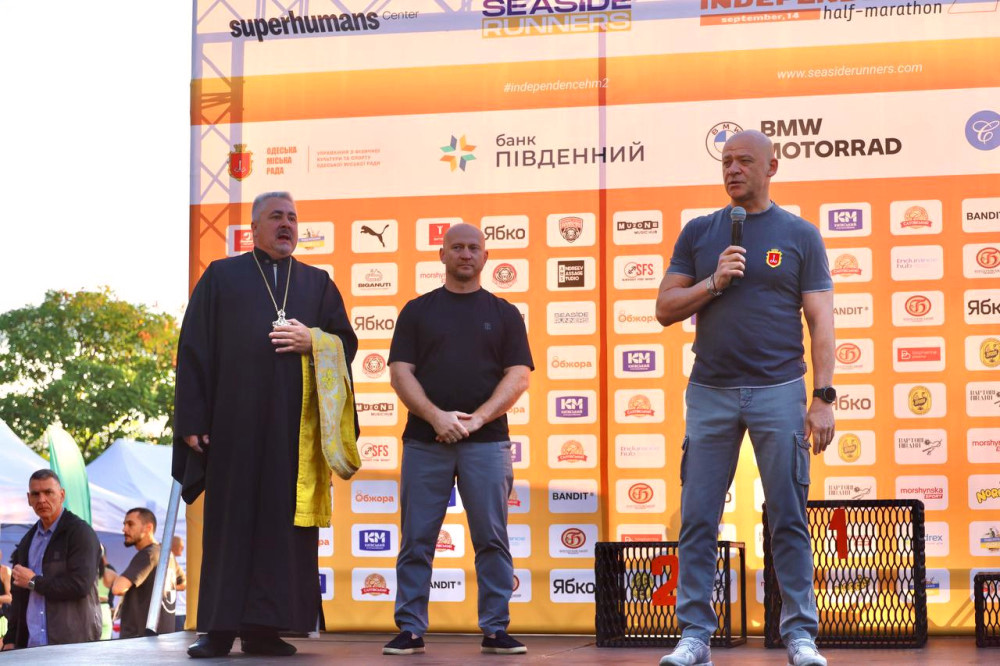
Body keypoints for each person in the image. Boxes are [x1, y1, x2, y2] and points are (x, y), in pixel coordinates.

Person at [654, 130, 834, 666]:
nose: (732, 169)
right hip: (710, 391)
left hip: (780, 390)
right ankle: (695, 636)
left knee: (787, 516)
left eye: (744, 161)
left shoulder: (800, 234)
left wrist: (823, 397)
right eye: (726, 161)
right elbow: (665, 308)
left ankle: (800, 635)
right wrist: (714, 281)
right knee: (698, 518)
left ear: (771, 168)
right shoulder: (700, 232)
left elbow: (821, 320)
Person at [172, 191, 358, 658]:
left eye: (293, 217)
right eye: (277, 216)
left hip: (293, 433)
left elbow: (346, 343)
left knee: (282, 528)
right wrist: (192, 418)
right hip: (231, 425)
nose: (287, 224)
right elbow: (193, 348)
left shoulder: (317, 283)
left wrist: (313, 340)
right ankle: (217, 630)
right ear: (253, 228)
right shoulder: (221, 277)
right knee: (230, 526)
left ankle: (265, 629)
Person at [383, 223, 533, 656]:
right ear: (442, 255)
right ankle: (410, 629)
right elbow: (400, 373)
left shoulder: (505, 313)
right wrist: (436, 417)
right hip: (424, 441)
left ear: (485, 257)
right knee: (416, 540)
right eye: (457, 247)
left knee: (492, 539)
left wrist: (478, 419)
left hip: (487, 443)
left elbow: (518, 376)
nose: (465, 254)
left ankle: (495, 628)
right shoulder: (417, 311)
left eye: (473, 247)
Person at [1, 469, 102, 650]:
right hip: (31, 645)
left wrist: (34, 581)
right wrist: (11, 637)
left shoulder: (80, 533)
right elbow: (18, 596)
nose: (41, 500)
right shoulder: (27, 541)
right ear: (29, 499)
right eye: (35, 494)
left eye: (48, 492)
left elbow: (80, 585)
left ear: (62, 495)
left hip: (72, 645)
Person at [111, 508, 175, 638]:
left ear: (148, 528)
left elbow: (118, 588)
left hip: (140, 637)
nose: (124, 529)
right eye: (124, 524)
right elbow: (182, 583)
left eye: (130, 524)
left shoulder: (148, 554)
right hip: (162, 634)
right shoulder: (167, 553)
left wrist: (113, 577)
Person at [170, 536, 188, 632]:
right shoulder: (169, 560)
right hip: (179, 610)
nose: (183, 549)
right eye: (181, 547)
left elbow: (183, 585)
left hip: (178, 610)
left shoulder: (170, 561)